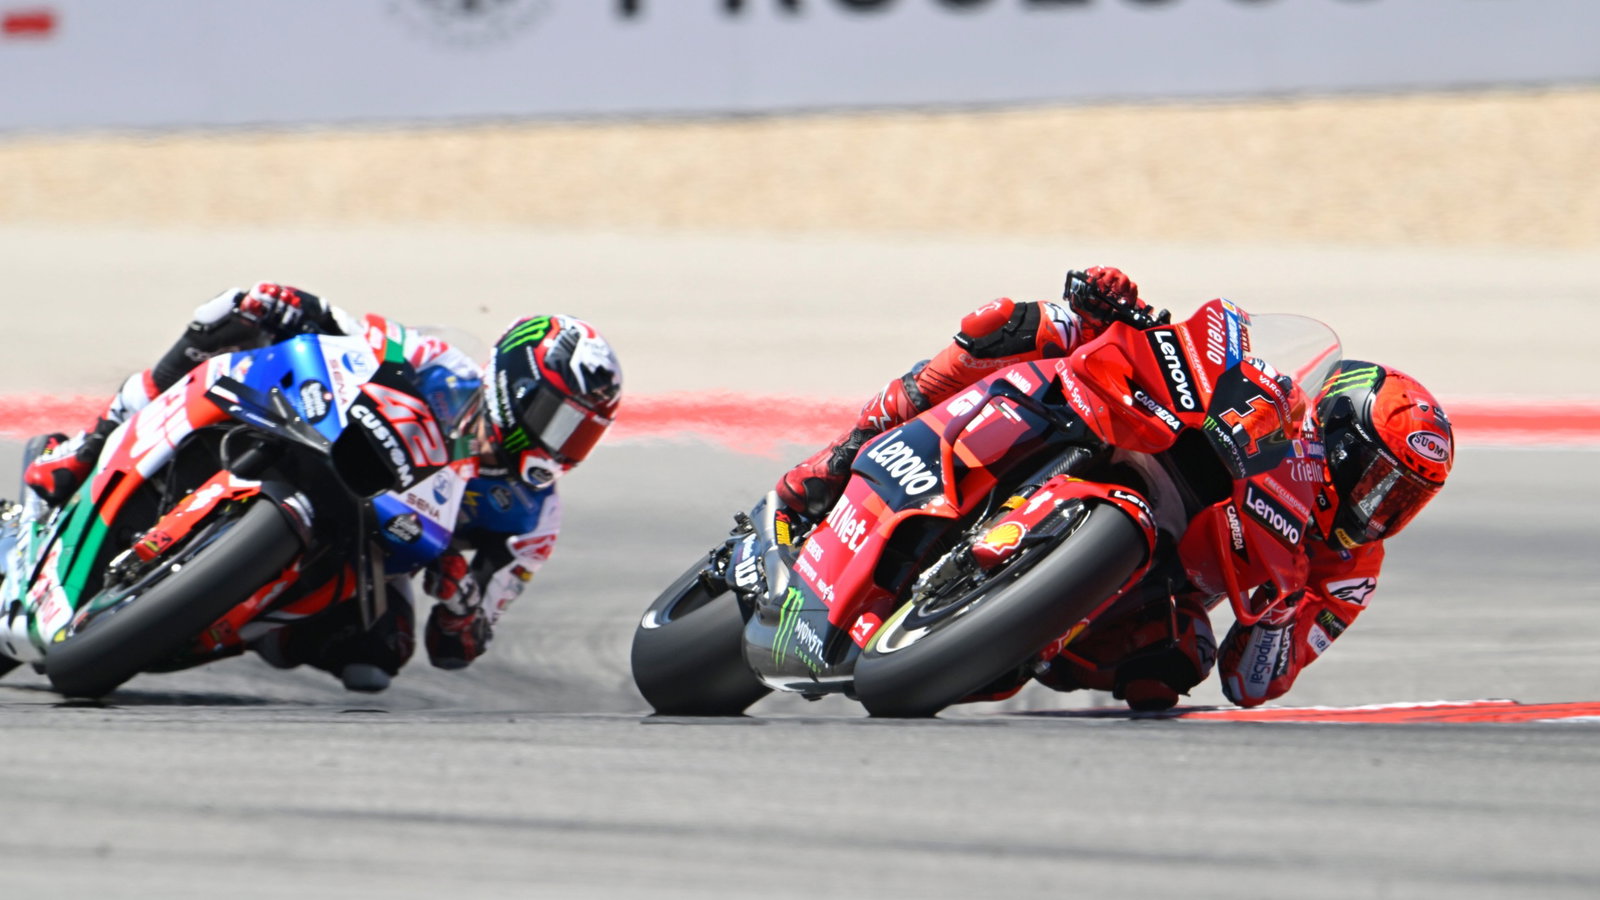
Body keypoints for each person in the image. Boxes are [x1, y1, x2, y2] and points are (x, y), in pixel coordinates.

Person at [774, 267, 1453, 711]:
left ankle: (1010, 629)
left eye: (1403, 503)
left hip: (1156, 580)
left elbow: (1254, 684)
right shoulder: (1279, 421)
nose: (1380, 510)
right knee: (1016, 325)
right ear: (1332, 436)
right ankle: (842, 457)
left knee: (1175, 664)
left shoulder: (1350, 573)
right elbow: (1200, 356)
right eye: (1379, 483)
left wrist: (1276, 614)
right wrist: (1119, 311)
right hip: (1135, 452)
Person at [23, 283, 623, 692]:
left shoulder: (532, 518)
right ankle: (89, 444)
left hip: (379, 545)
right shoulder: (440, 362)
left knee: (377, 660)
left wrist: (463, 603)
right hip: (330, 448)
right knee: (234, 309)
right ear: (515, 385)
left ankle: (226, 612)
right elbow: (356, 335)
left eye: (581, 437)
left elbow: (460, 647)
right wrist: (297, 307)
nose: (561, 446)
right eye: (559, 420)